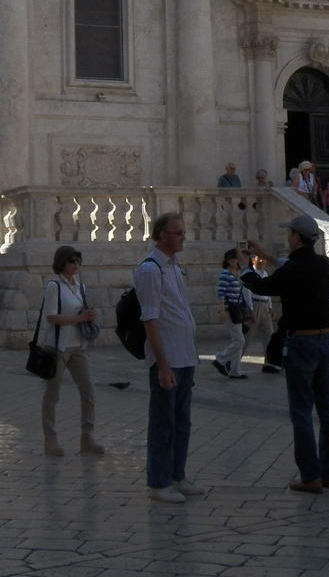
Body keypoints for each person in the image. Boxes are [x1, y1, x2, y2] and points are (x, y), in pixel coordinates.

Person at [241, 216, 329, 494]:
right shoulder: (324, 265)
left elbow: (263, 286)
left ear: (297, 237)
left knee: (301, 410)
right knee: (328, 410)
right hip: (326, 341)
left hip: (302, 343)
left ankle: (310, 475)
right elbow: (290, 268)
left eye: (291, 234)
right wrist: (264, 255)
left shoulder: (294, 270)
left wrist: (245, 267)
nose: (288, 237)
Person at [135, 212, 202, 503]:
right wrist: (162, 365)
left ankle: (177, 475)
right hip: (168, 358)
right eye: (178, 233)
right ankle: (159, 481)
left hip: (185, 354)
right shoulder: (150, 269)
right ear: (162, 235)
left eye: (183, 232)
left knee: (182, 420)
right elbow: (150, 319)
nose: (183, 237)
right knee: (163, 421)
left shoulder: (173, 267)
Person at [37, 245, 104, 457]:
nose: (76, 265)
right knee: (52, 394)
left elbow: (80, 313)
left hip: (78, 346)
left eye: (78, 261)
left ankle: (88, 436)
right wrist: (79, 318)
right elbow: (52, 317)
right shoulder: (54, 286)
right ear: (62, 263)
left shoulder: (79, 286)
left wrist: (88, 315)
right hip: (57, 346)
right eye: (71, 261)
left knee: (88, 391)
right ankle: (50, 438)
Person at [213, 249, 250, 380]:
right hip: (229, 310)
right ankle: (220, 360)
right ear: (229, 260)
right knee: (240, 340)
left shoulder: (236, 274)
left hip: (237, 311)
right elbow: (221, 293)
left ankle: (235, 371)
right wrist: (222, 310)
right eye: (235, 259)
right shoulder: (225, 274)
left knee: (237, 340)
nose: (237, 261)